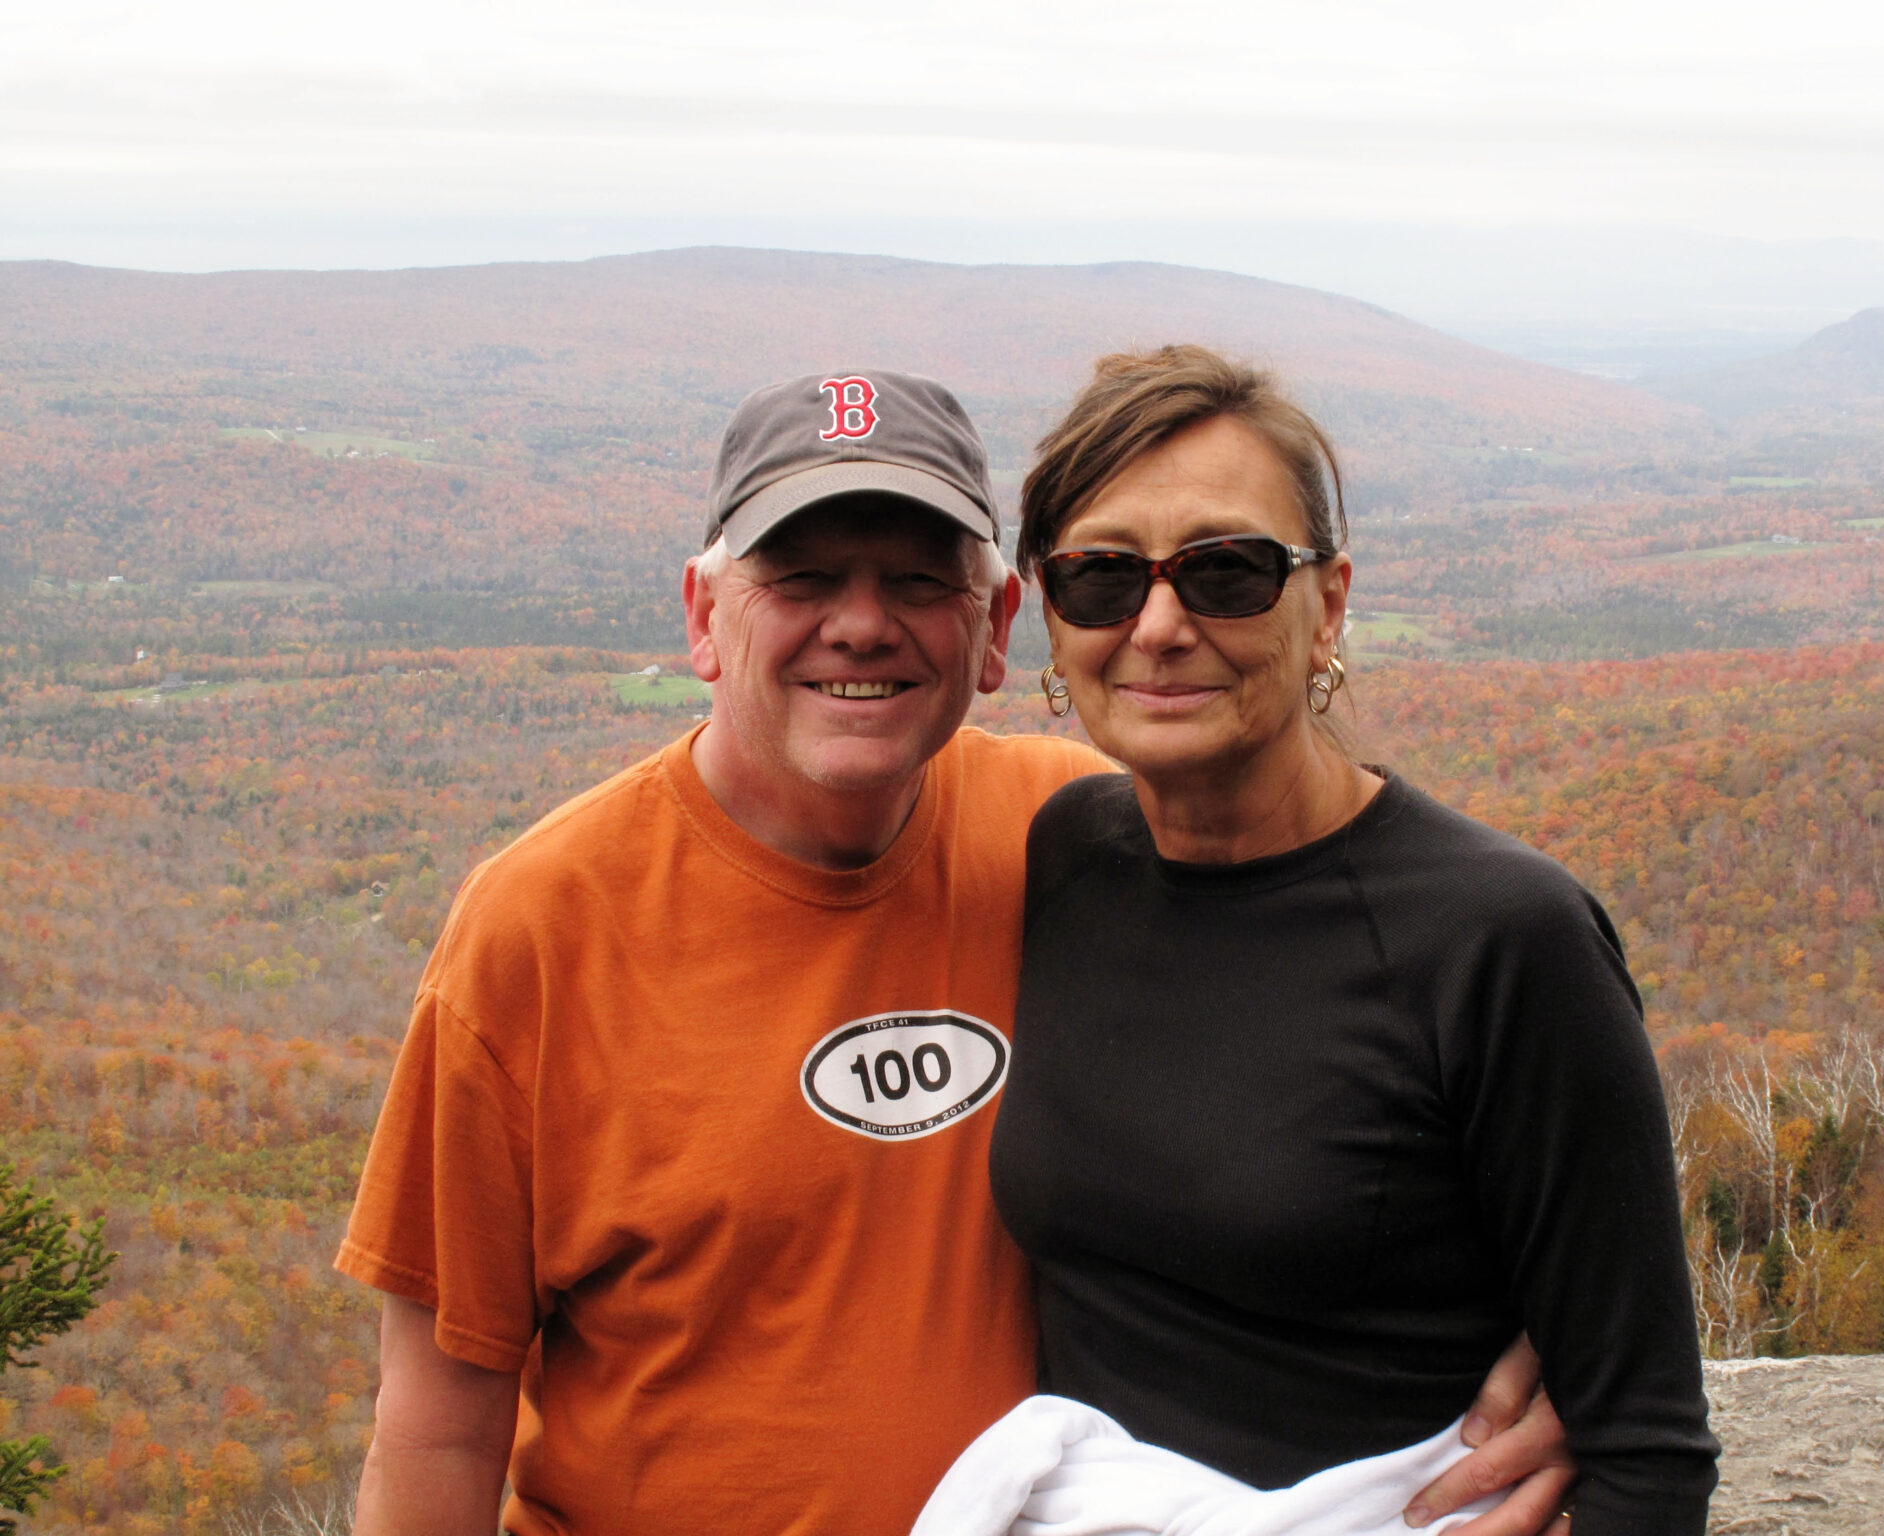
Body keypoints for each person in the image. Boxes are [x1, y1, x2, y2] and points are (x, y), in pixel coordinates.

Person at [337, 367, 1579, 1536]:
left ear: (994, 628)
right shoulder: (538, 930)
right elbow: (439, 1425)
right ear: (704, 616)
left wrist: (1557, 1349)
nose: (861, 625)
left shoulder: (1087, 844)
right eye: (805, 577)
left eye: (917, 581)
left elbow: (1375, 1044)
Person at [984, 346, 1720, 1536]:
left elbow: (1643, 1445)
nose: (1159, 624)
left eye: (1227, 572)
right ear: (1053, 623)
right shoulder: (1064, 854)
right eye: (1101, 579)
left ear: (1326, 603)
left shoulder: (1498, 940)